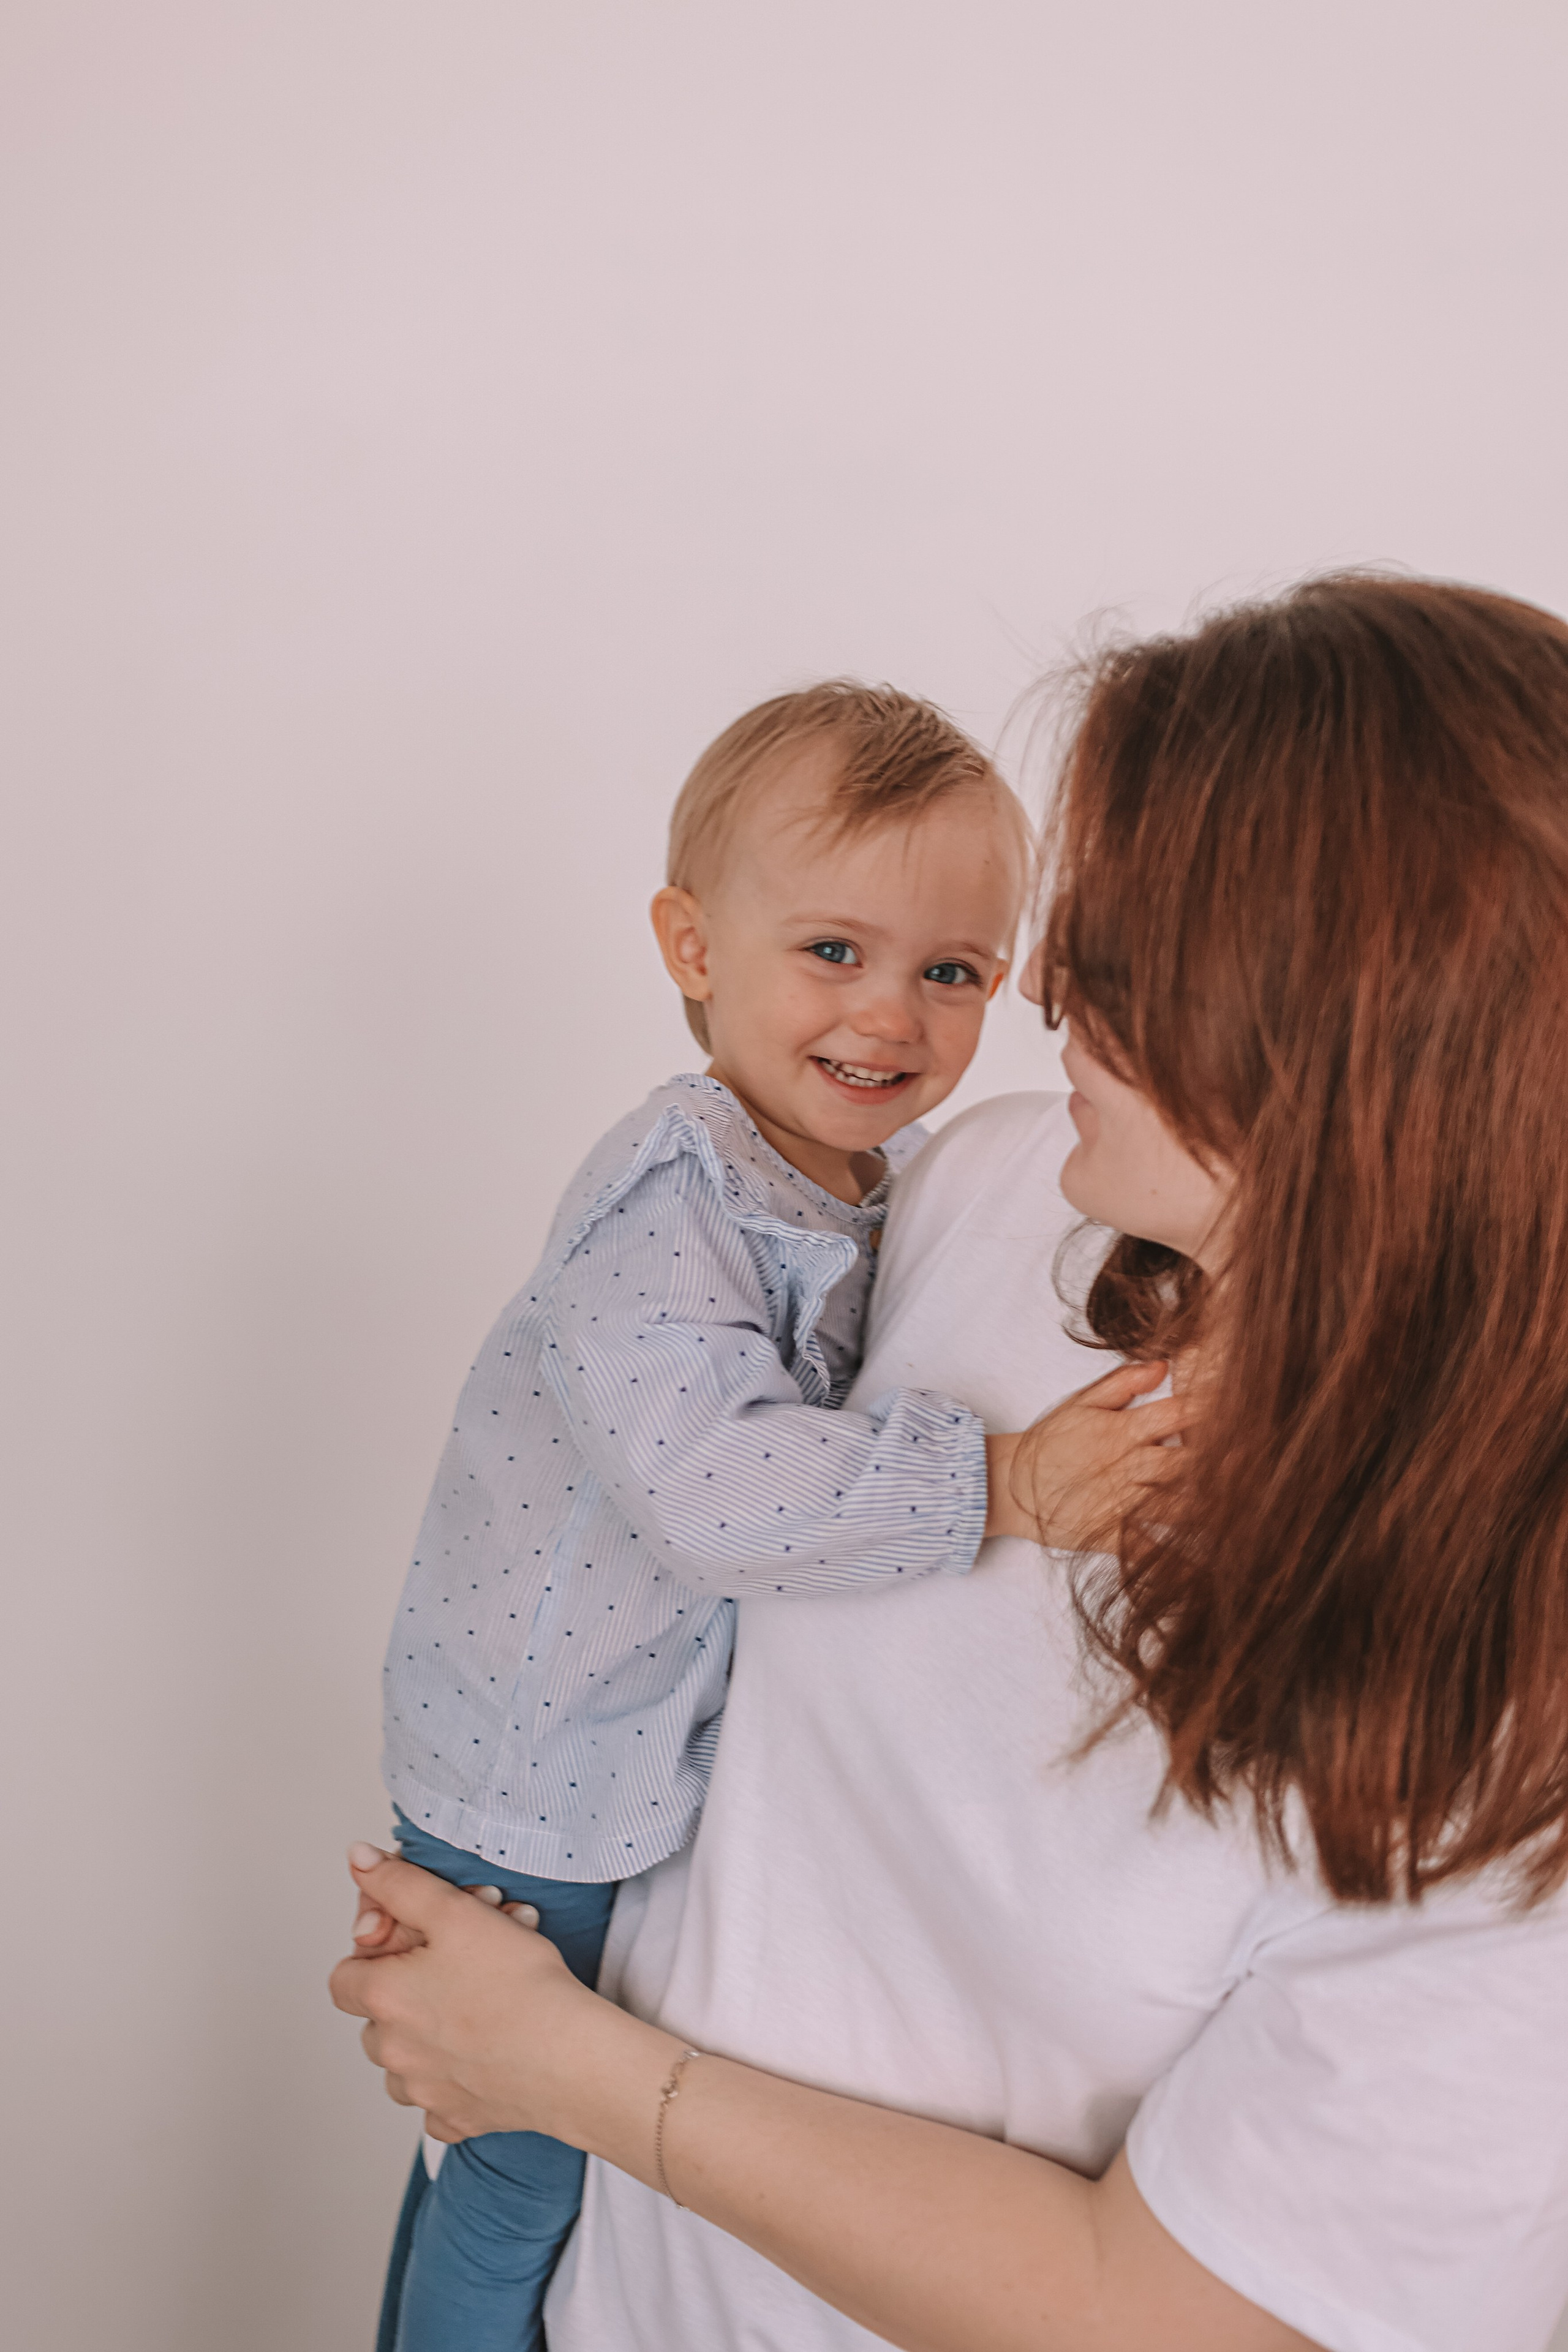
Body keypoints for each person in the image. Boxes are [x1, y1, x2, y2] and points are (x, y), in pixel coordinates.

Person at [337, 575, 1568, 2352]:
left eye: (1128, 951)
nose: (1047, 991)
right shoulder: (987, 1192)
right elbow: (706, 1510)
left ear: (1356, 1040)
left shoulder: (1507, 1746)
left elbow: (1171, 2322)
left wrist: (567, 2067)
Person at [367, 680, 1181, 2352]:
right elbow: (715, 1494)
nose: (892, 1016)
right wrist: (1011, 1483)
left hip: (623, 1758)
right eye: (833, 952)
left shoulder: (876, 1177)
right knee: (513, 2162)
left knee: (502, 2145)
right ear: (690, 945)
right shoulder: (671, 1198)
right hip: (541, 1769)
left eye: (951, 972)